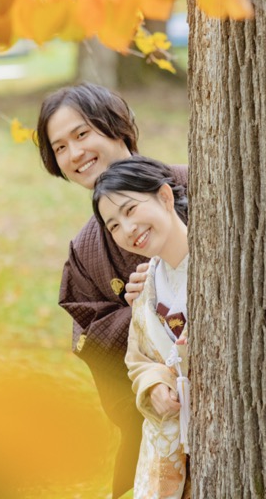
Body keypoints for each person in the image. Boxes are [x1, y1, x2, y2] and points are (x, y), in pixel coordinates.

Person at [36, 83, 188, 499]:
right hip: (162, 409)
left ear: (116, 126)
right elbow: (94, 335)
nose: (74, 153)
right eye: (60, 147)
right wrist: (140, 308)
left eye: (82, 134)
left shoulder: (189, 181)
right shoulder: (86, 250)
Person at [93, 156, 190, 499]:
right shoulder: (146, 288)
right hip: (174, 445)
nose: (127, 229)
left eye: (131, 209)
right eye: (114, 226)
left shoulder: (218, 262)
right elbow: (138, 360)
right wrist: (155, 384)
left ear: (164, 196)